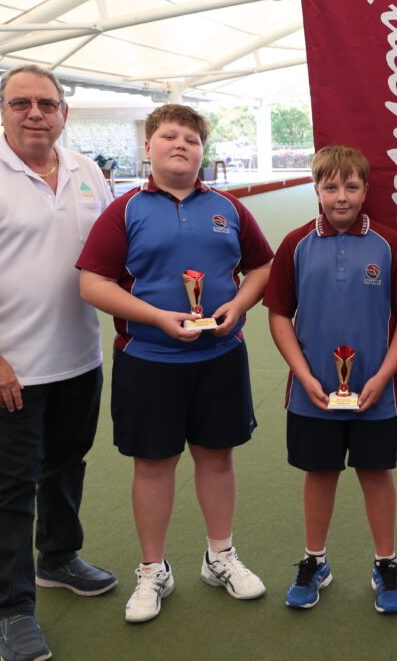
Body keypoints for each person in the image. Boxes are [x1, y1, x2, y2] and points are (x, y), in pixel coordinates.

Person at [0, 64, 116, 661]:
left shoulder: (87, 171)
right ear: (2, 110)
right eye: (21, 103)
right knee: (11, 487)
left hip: (80, 359)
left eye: (47, 104)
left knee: (66, 463)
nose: (35, 114)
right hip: (11, 370)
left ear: (63, 112)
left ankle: (58, 557)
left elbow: (113, 258)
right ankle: (11, 608)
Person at [76, 104, 272, 624]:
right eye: (168, 136)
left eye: (191, 138)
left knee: (216, 458)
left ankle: (220, 556)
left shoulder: (228, 208)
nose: (180, 145)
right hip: (148, 359)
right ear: (148, 147)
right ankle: (152, 570)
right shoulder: (124, 211)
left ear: (202, 150)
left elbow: (261, 265)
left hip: (220, 355)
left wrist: (240, 304)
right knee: (154, 464)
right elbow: (92, 282)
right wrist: (158, 317)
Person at [264, 144, 397, 613]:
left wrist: (384, 376)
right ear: (315, 189)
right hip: (313, 394)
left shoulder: (389, 244)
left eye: (351, 187)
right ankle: (315, 560)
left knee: (377, 474)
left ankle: (386, 563)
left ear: (365, 189)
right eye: (330, 187)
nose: (341, 197)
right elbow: (277, 315)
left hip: (377, 392)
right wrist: (303, 375)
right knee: (320, 473)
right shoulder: (294, 244)